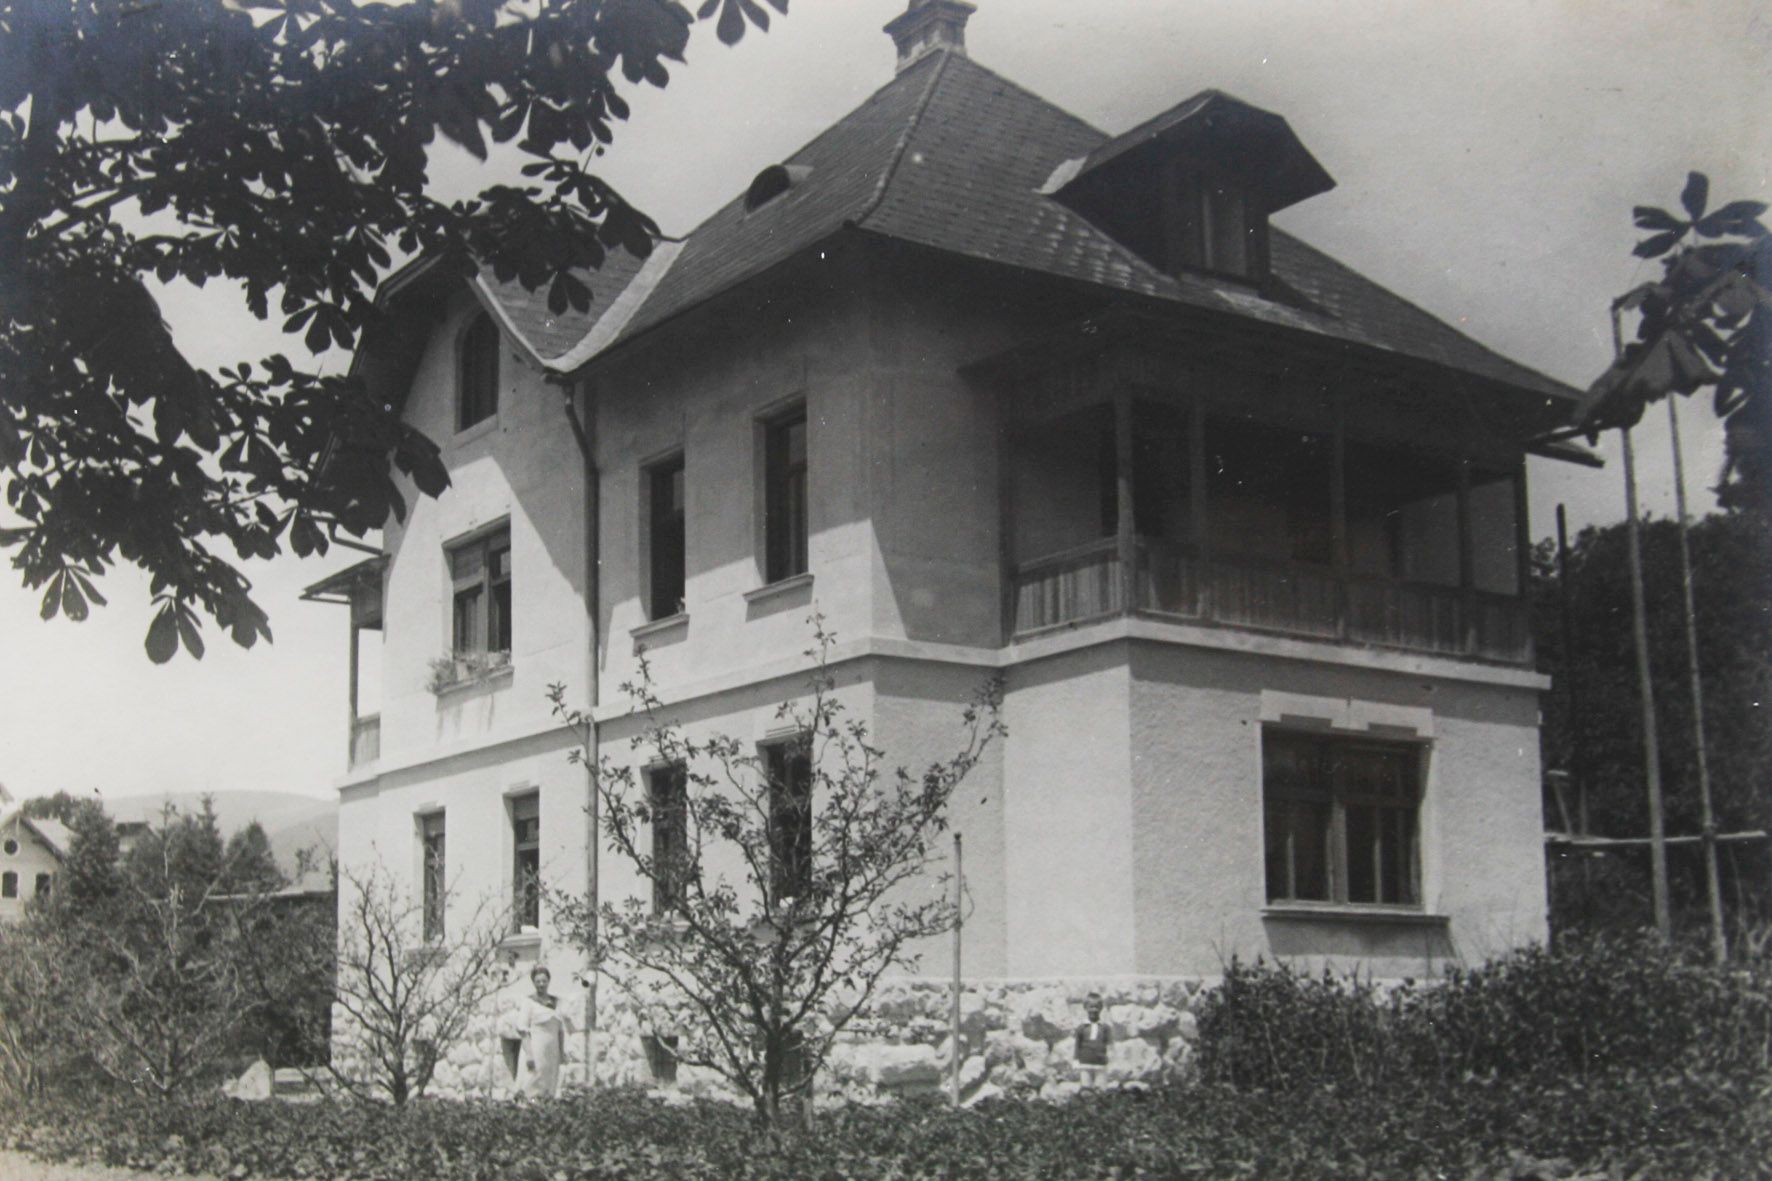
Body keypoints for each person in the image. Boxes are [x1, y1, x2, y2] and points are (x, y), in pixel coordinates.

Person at [519, 964, 571, 1098]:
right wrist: (529, 1054)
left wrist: (561, 1052)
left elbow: (560, 1030)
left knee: (551, 1082)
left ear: (548, 981)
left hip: (552, 1051)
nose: (541, 984)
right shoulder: (528, 1002)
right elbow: (523, 1031)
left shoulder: (556, 1002)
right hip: (536, 1049)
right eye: (538, 981)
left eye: (544, 981)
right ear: (533, 983)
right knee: (533, 1082)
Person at [1074, 992, 1110, 1086]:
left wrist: (1109, 1059)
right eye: (1091, 1007)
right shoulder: (1081, 1028)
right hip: (1085, 1063)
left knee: (1101, 1090)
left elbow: (1109, 1044)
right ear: (1085, 1008)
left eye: (1097, 1007)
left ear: (1101, 1008)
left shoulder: (1105, 1027)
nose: (1094, 1010)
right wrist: (1076, 1060)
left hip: (1101, 1064)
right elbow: (1077, 1045)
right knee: (1086, 1090)